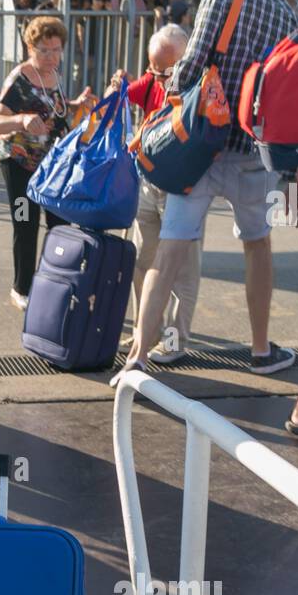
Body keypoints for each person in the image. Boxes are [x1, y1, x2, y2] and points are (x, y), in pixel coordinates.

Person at [114, 0, 298, 384]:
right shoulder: (291, 20)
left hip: (199, 148)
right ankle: (261, 350)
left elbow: (192, 62)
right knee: (257, 244)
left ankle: (137, 358)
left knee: (173, 247)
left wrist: (176, 116)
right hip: (251, 154)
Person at [111, 25, 201, 365]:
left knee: (183, 273)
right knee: (142, 263)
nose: (158, 76)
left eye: (166, 69)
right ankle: (144, 333)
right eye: (153, 67)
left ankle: (175, 341)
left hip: (183, 188)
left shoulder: (199, 88)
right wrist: (118, 82)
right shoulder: (152, 80)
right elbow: (125, 93)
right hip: (148, 181)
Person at [0, 15, 93, 309]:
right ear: (29, 47)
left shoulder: (55, 76)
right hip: (19, 163)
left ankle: (54, 283)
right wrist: (21, 120)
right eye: (44, 51)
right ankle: (21, 288)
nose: (51, 57)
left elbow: (54, 107)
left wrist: (75, 105)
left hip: (51, 165)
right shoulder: (19, 79)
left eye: (56, 50)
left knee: (60, 224)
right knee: (25, 222)